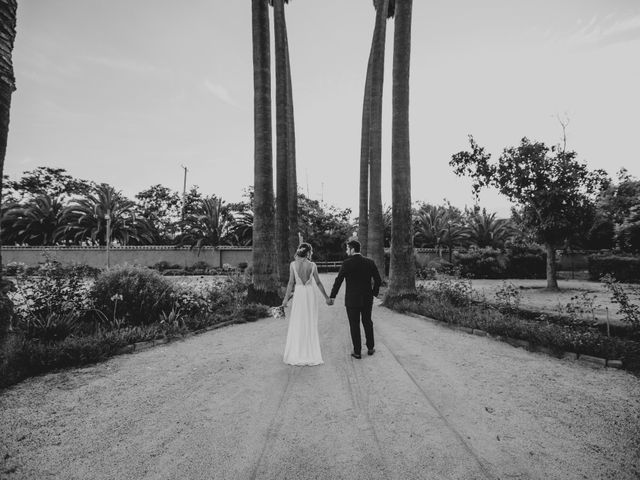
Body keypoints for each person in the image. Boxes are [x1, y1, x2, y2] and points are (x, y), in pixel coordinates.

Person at [328, 239, 382, 359]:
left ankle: (357, 352)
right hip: (367, 298)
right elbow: (378, 280)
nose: (347, 251)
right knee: (367, 322)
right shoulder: (370, 262)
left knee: (354, 324)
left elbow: (339, 280)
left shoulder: (347, 263)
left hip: (352, 299)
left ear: (352, 249)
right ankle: (370, 347)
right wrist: (374, 293)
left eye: (347, 248)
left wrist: (332, 296)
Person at [282, 243, 330, 366]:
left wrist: (286, 299)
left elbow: (290, 283)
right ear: (308, 253)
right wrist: (326, 297)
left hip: (299, 295)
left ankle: (297, 351)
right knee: (309, 321)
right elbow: (318, 283)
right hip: (309, 294)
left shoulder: (293, 265)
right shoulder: (312, 265)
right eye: (311, 252)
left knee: (298, 321)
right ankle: (309, 352)